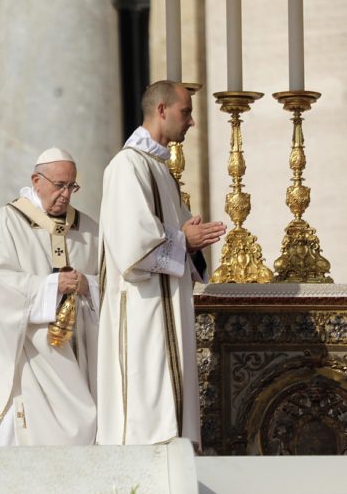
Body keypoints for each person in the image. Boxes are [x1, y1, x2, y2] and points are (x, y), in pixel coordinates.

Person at [95, 80, 226, 447]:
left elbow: (177, 234)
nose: (192, 122)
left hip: (165, 304)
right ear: (162, 110)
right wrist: (185, 239)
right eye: (186, 112)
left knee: (168, 408)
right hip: (143, 308)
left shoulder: (160, 170)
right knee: (146, 408)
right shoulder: (127, 166)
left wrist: (190, 238)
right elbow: (130, 245)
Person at [0, 148, 100, 446]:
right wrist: (52, 285)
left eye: (72, 186)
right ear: (36, 180)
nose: (66, 195)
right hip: (29, 355)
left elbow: (110, 284)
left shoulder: (89, 230)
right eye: (59, 186)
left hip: (80, 353)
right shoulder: (4, 225)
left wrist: (86, 284)